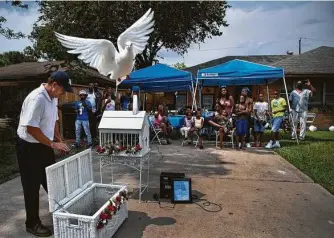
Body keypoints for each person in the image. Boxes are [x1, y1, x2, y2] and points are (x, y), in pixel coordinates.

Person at [16, 71, 71, 237]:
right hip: (29, 147)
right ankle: (32, 223)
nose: (63, 93)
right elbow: (31, 128)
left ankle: (61, 213)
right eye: (63, 89)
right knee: (31, 186)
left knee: (52, 180)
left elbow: (53, 120)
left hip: (44, 144)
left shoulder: (53, 98)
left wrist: (58, 138)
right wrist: (53, 144)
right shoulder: (37, 98)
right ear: (54, 84)